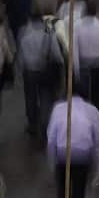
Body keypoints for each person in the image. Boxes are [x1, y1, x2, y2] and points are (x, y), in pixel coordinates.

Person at [46, 93, 99, 198]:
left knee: (62, 188)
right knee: (79, 189)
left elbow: (51, 136)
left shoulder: (59, 108)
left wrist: (51, 159)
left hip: (62, 154)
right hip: (82, 155)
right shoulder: (91, 110)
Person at [18, 11, 61, 147]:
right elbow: (56, 55)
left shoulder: (24, 35)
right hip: (44, 73)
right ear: (42, 21)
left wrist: (21, 72)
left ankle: (32, 125)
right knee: (45, 100)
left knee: (30, 99)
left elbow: (21, 58)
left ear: (30, 20)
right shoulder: (48, 36)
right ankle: (43, 129)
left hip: (29, 73)